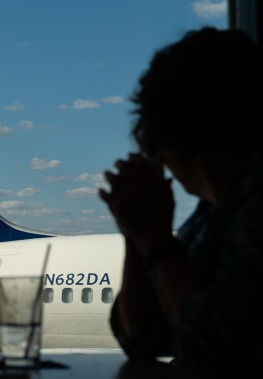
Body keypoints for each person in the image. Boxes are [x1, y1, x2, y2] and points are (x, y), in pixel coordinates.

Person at [99, 27, 263, 377]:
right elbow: (141, 339)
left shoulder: (253, 212)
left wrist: (156, 241)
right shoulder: (214, 214)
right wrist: (136, 233)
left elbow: (214, 351)